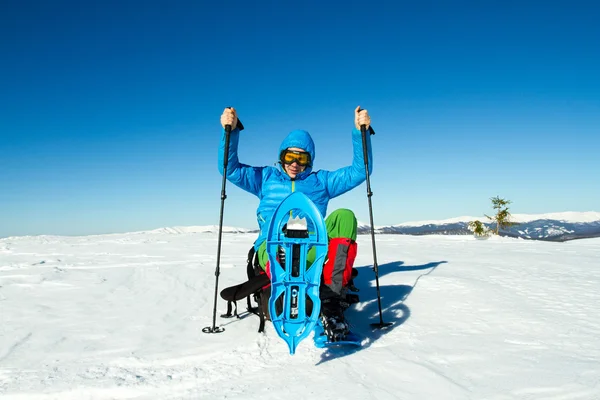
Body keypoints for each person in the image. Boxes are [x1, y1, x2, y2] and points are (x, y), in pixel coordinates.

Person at [218, 106, 373, 341]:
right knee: (280, 242)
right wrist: (231, 130)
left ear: (309, 160)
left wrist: (359, 132)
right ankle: (283, 282)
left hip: (313, 248)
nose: (295, 163)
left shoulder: (321, 181)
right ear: (281, 156)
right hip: (271, 246)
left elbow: (360, 171)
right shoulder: (265, 179)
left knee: (344, 215)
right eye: (290, 156)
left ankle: (330, 301)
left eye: (302, 158)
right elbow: (229, 169)